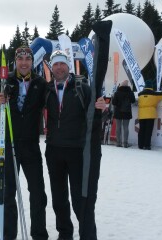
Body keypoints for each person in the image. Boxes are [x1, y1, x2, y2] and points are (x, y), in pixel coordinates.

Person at [0, 46, 48, 240]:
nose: (24, 63)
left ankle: (38, 234)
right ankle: (8, 235)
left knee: (38, 193)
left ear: (32, 62)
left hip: (30, 144)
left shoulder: (40, 83)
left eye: (27, 59)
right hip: (8, 143)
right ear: (15, 61)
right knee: (8, 192)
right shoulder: (4, 81)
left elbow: (53, 104)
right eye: (20, 59)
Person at [44, 50, 106, 240]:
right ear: (51, 67)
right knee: (59, 198)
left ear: (68, 66)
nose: (59, 67)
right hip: (54, 150)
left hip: (77, 151)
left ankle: (87, 235)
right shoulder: (46, 89)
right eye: (56, 64)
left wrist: (101, 109)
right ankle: (65, 233)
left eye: (62, 63)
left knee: (81, 199)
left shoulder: (82, 87)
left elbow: (94, 116)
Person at [137, 80, 162, 150]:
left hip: (141, 114)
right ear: (151, 87)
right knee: (148, 131)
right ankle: (147, 145)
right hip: (150, 114)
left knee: (141, 130)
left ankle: (140, 145)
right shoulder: (155, 94)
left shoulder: (140, 94)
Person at [112, 80, 135, 148]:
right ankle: (125, 143)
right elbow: (133, 101)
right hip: (127, 112)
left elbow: (114, 103)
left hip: (118, 112)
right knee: (126, 127)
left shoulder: (117, 92)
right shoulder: (130, 92)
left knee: (118, 127)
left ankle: (118, 142)